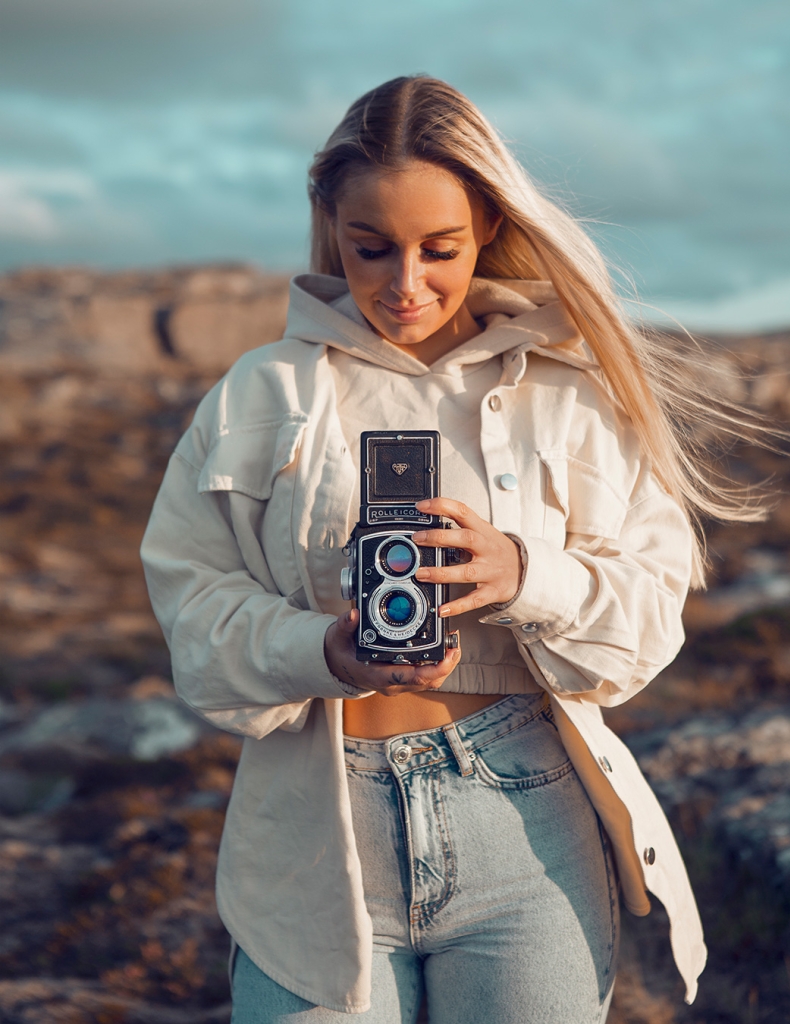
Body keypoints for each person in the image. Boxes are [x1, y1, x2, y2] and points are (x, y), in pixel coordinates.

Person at [140, 75, 756, 1023]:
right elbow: (193, 613)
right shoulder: (257, 394)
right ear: (328, 224)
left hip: (526, 826)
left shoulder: (572, 395)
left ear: (488, 227)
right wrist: (325, 652)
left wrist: (525, 574)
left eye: (441, 248)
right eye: (371, 248)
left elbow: (645, 623)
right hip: (315, 832)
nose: (405, 283)